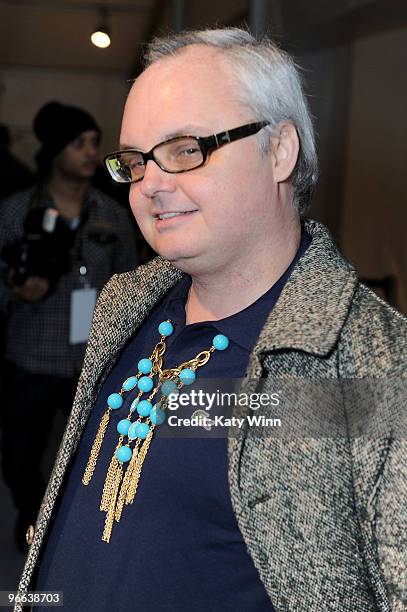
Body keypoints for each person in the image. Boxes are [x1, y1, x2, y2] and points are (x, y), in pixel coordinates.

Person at [14, 29, 405, 612]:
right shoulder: (127, 304)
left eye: (185, 150)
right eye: (136, 161)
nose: (150, 185)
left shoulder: (372, 366)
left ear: (280, 151)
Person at [0, 101, 138, 552]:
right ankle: (30, 515)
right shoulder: (16, 210)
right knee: (21, 455)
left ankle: (69, 527)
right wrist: (14, 289)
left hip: (92, 360)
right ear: (56, 149)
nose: (90, 152)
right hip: (30, 356)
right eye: (79, 143)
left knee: (92, 452)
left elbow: (131, 283)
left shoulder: (114, 215)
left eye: (95, 143)